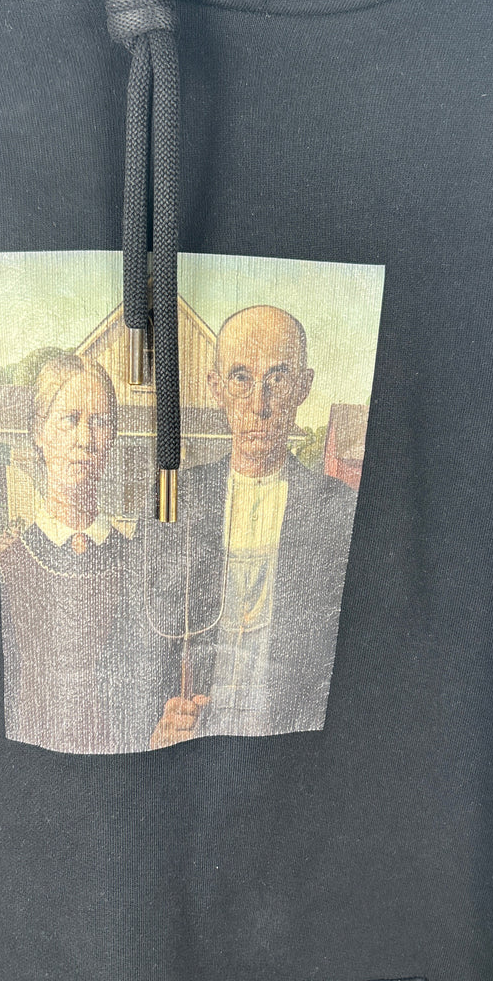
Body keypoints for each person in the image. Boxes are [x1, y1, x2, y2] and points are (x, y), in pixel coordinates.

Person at [150, 306, 358, 747]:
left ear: (303, 387)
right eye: (241, 378)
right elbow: (139, 646)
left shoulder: (338, 512)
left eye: (277, 379)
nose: (259, 406)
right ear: (216, 388)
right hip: (194, 741)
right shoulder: (179, 501)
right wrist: (157, 726)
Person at [0, 352, 165, 753]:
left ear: (113, 439)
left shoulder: (138, 562)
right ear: (39, 432)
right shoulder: (8, 566)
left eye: (100, 422)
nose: (85, 439)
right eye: (70, 419)